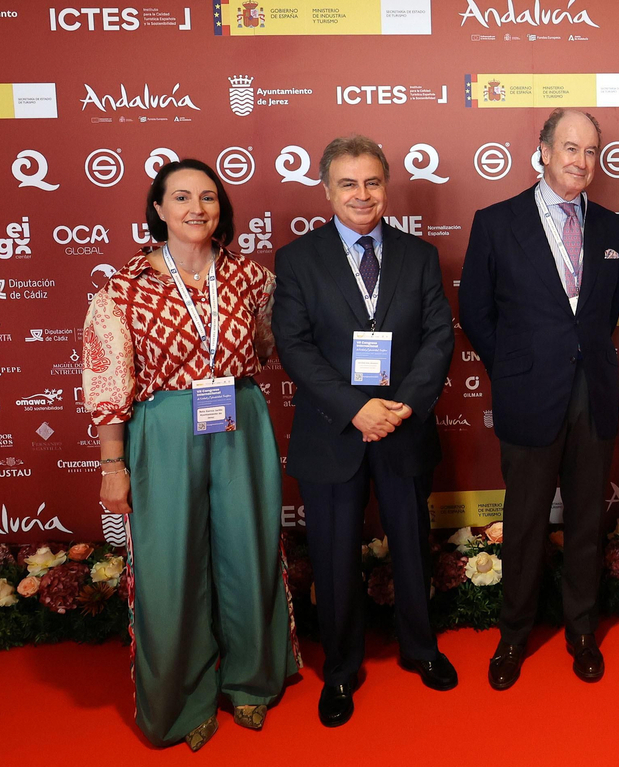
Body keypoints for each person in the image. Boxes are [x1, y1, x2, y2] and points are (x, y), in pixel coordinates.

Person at [83, 159, 297, 750]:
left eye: (208, 196)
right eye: (181, 197)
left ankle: (252, 681)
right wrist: (112, 465)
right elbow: (107, 385)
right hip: (164, 427)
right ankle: (183, 699)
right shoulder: (121, 290)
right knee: (170, 564)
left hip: (240, 419)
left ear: (221, 208)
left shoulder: (252, 279)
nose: (197, 208)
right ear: (158, 208)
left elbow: (265, 345)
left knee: (249, 550)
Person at [272, 135, 457, 727]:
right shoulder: (298, 259)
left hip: (402, 428)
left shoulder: (420, 255)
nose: (361, 194)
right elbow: (295, 347)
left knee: (411, 545)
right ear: (327, 190)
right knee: (332, 557)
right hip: (334, 431)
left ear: (386, 186)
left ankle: (421, 649)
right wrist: (356, 409)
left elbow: (438, 339)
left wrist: (399, 406)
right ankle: (343, 668)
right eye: (348, 183)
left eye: (372, 182)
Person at [459, 108, 619, 689]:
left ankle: (582, 629)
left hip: (594, 393)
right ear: (544, 150)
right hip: (528, 394)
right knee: (526, 520)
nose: (580, 162)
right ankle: (514, 633)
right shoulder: (496, 221)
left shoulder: (611, 227)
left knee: (586, 519)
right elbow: (477, 313)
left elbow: (602, 316)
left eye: (590, 152)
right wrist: (514, 369)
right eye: (570, 149)